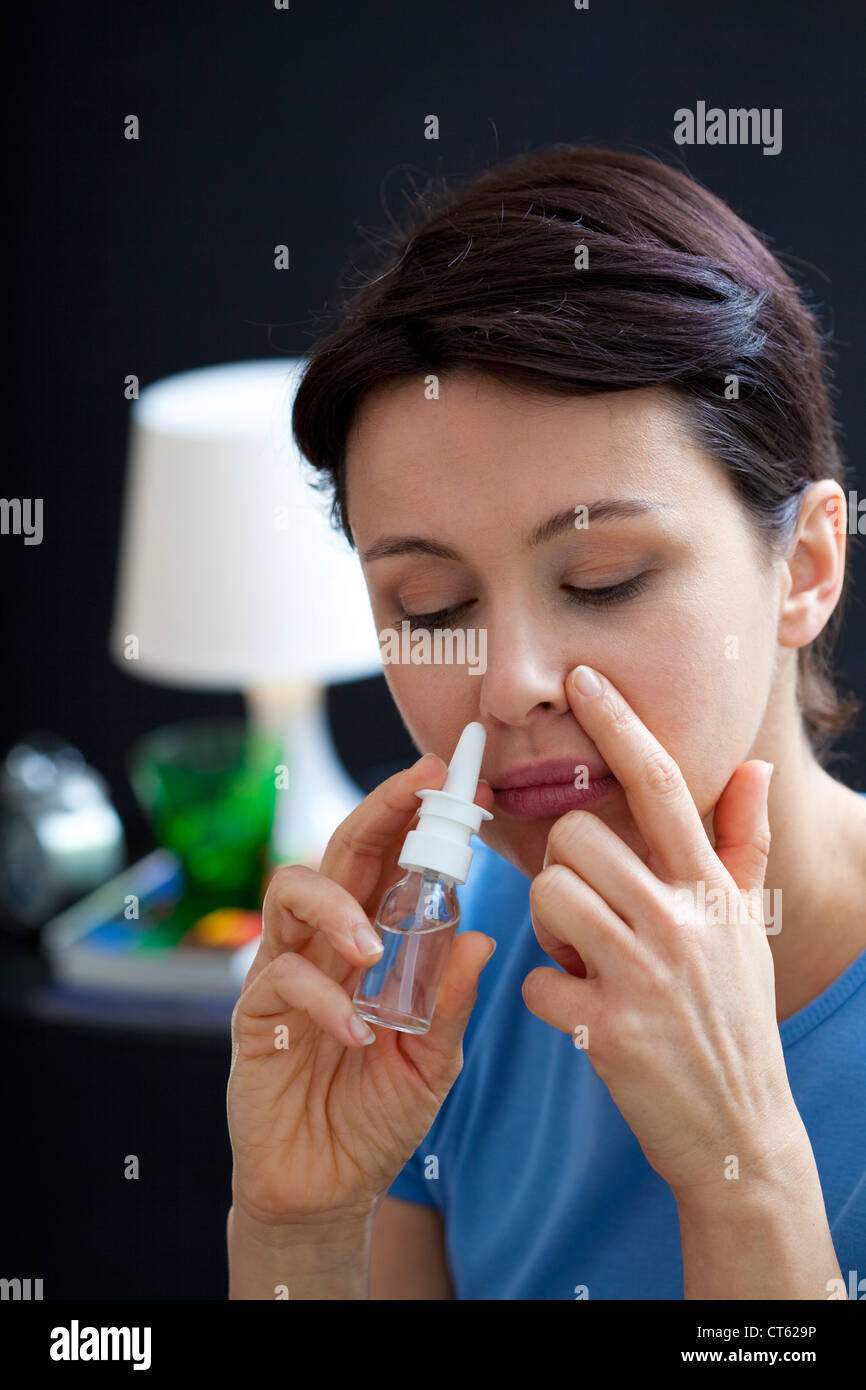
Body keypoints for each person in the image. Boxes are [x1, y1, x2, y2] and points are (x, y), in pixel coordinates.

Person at [226, 145, 866, 1299]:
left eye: (604, 578)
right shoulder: (431, 964)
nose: (507, 680)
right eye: (432, 605)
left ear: (805, 565)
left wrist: (746, 1173)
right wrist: (297, 1228)